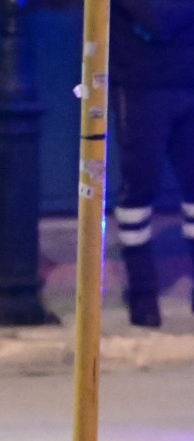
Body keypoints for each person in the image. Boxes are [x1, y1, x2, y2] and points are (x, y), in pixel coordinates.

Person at [111, 0, 194, 327]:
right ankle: (143, 295)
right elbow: (157, 18)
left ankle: (145, 298)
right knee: (139, 188)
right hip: (140, 83)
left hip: (185, 78)